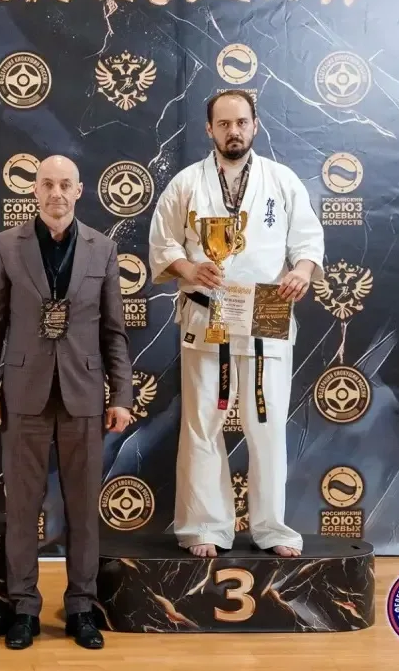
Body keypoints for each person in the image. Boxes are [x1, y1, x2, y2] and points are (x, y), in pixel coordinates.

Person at [148, 89, 324, 559]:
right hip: (208, 311)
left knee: (267, 423)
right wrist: (188, 268)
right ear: (209, 128)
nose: (234, 131)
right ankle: (205, 525)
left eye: (241, 122)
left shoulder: (281, 181)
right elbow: (164, 243)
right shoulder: (187, 183)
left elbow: (307, 238)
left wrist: (302, 271)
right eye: (224, 123)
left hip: (267, 309)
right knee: (203, 421)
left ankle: (272, 527)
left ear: (255, 125)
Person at [0, 155, 133, 650]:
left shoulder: (103, 249)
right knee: (23, 508)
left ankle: (81, 607)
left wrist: (121, 394)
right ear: (34, 190)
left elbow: (114, 331)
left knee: (83, 508)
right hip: (24, 393)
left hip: (84, 393)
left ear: (79, 190)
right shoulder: (6, 246)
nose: (56, 193)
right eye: (47, 184)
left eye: (65, 184)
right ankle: (23, 608)